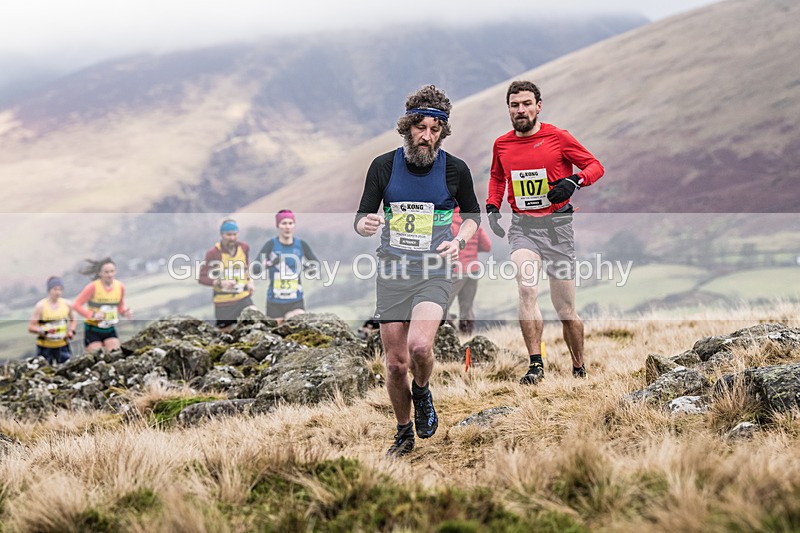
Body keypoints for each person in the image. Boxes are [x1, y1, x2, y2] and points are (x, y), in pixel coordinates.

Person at [355, 85, 481, 457]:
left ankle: (423, 391)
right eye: (420, 127)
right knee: (395, 366)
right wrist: (364, 225)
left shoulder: (455, 169)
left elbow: (474, 216)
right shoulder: (383, 166)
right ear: (407, 127)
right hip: (393, 273)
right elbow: (362, 215)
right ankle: (403, 431)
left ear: (443, 131)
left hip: (434, 271)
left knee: (420, 347)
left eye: (435, 129)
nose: (427, 136)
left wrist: (459, 241)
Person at [486, 80, 604, 384]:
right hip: (523, 227)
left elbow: (594, 165)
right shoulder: (502, 144)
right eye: (515, 105)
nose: (521, 110)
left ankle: (578, 367)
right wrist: (491, 206)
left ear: (539, 106)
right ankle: (536, 364)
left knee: (565, 309)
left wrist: (574, 181)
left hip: (558, 229)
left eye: (526, 103)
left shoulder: (558, 137)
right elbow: (498, 178)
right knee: (526, 288)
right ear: (509, 109)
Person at [254, 210, 319, 324]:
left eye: (290, 223)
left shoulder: (301, 245)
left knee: (296, 327)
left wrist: (306, 267)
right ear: (278, 226)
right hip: (274, 301)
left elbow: (316, 266)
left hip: (295, 300)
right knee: (276, 335)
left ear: (294, 225)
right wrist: (270, 263)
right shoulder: (271, 245)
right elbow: (255, 269)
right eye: (283, 223)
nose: (287, 227)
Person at [198, 218, 256, 331]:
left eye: (234, 234)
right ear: (221, 234)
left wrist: (250, 282)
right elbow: (201, 277)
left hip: (243, 297)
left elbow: (246, 267)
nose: (232, 238)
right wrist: (220, 282)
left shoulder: (244, 248)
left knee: (255, 319)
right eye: (228, 235)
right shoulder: (213, 253)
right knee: (225, 337)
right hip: (223, 303)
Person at [446, 207, 492, 336]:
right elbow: (487, 246)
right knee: (467, 307)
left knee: (443, 305)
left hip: (455, 270)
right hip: (473, 269)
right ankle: (466, 337)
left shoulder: (447, 221)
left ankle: (450, 334)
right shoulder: (473, 223)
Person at [73, 258, 134, 352]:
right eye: (106, 272)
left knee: (115, 356)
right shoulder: (93, 287)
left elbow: (120, 306)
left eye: (112, 271)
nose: (110, 275)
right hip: (92, 329)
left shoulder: (120, 286)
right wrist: (93, 315)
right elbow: (76, 305)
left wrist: (126, 312)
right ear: (100, 273)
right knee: (97, 359)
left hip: (109, 329)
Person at [27, 276, 77, 364]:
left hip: (62, 345)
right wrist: (42, 330)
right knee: (44, 372)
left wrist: (71, 331)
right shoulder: (41, 306)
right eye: (55, 289)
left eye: (60, 289)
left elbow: (73, 320)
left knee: (66, 370)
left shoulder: (67, 304)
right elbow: (31, 327)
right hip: (45, 346)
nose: (58, 292)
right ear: (49, 290)